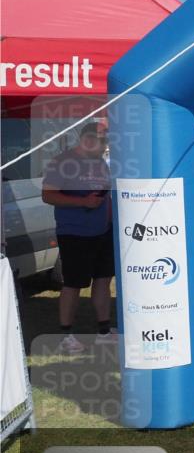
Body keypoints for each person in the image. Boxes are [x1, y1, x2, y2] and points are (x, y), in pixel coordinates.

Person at [41, 122, 115, 354]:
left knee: (103, 279)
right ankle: (66, 335)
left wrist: (111, 221)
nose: (105, 146)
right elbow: (48, 195)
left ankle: (103, 331)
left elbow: (105, 196)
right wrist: (83, 202)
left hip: (103, 231)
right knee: (73, 284)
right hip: (74, 233)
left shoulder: (101, 163)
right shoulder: (63, 162)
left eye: (106, 141)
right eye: (102, 141)